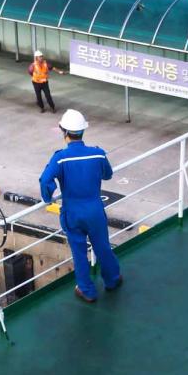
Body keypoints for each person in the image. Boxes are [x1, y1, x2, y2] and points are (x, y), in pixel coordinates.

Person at [39, 109, 123, 302]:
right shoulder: (98, 154)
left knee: (79, 251)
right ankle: (112, 279)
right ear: (83, 131)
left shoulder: (60, 157)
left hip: (72, 212)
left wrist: (47, 197)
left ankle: (86, 290)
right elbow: (107, 175)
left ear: (64, 132)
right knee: (102, 247)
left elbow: (45, 181)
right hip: (94, 210)